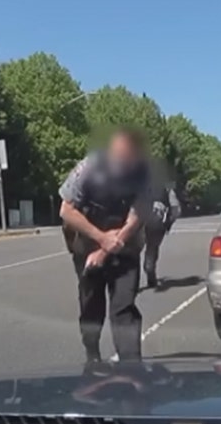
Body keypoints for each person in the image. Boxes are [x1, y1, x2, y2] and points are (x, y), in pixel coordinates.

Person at [58, 128, 153, 362]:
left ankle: (131, 365)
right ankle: (92, 354)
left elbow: (137, 215)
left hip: (125, 245)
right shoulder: (88, 167)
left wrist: (108, 246)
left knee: (124, 307)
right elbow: (66, 211)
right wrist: (101, 239)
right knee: (91, 305)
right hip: (88, 244)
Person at [142, 180, 181, 290]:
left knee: (134, 250)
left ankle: (131, 281)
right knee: (152, 247)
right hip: (157, 222)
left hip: (139, 219)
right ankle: (149, 268)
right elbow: (176, 208)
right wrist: (169, 223)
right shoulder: (167, 182)